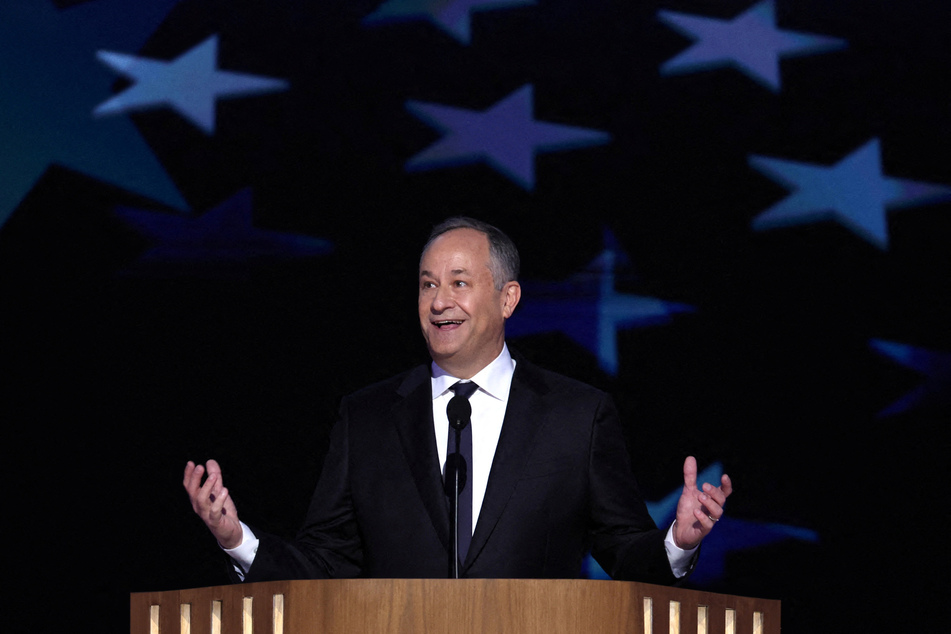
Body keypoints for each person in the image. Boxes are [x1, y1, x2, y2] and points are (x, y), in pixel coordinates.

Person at [184, 216, 732, 583]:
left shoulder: (577, 417)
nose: (439, 301)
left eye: (459, 283)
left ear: (507, 297)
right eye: (427, 285)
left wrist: (677, 545)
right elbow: (325, 562)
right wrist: (239, 540)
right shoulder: (367, 418)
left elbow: (623, 551)